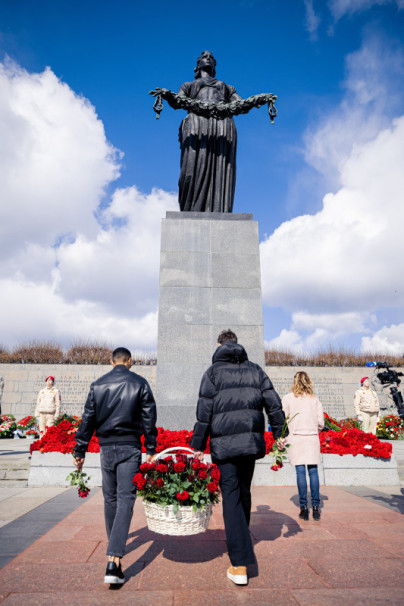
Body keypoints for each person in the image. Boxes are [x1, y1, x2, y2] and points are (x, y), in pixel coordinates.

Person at [190, 329, 287, 586]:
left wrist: (198, 444)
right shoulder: (255, 369)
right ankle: (241, 538)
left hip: (224, 446)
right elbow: (273, 402)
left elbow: (204, 412)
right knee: (244, 493)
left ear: (220, 344)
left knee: (231, 497)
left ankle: (240, 563)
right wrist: (280, 432)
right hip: (250, 443)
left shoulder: (212, 373)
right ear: (238, 344)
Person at [73, 347, 157, 585]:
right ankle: (114, 560)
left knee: (110, 499)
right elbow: (149, 416)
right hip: (130, 447)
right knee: (126, 499)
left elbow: (87, 418)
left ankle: (114, 544)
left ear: (112, 362)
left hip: (106, 448)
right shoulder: (140, 383)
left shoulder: (98, 385)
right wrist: (150, 447)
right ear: (129, 361)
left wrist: (79, 449)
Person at [282, 371, 324, 522]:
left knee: (300, 472)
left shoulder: (287, 398)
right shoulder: (314, 399)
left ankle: (303, 508)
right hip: (311, 437)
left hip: (295, 438)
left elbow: (283, 420)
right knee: (313, 472)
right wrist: (314, 430)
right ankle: (316, 508)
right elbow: (321, 422)